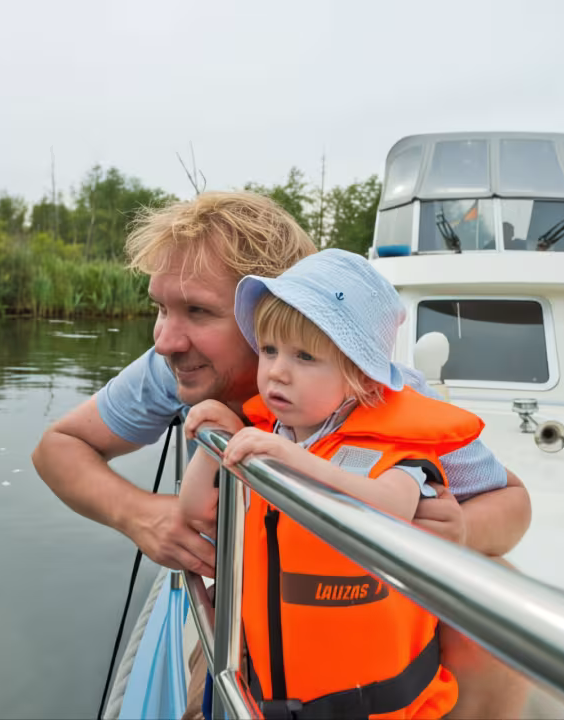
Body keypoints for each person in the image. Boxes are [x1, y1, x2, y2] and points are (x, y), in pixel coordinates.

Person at [31, 191, 531, 718]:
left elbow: (513, 504)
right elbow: (57, 448)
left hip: (361, 617)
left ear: (278, 310)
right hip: (251, 608)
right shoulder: (178, 366)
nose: (165, 341)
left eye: (198, 311)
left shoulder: (379, 394)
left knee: (501, 596)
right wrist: (141, 516)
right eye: (161, 307)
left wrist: (457, 532)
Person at [179, 248, 490, 718]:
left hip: (368, 705)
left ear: (359, 377)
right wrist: (216, 442)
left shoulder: (395, 452)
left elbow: (390, 507)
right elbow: (193, 511)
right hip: (270, 692)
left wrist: (296, 462)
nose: (277, 371)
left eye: (305, 356)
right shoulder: (268, 434)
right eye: (269, 350)